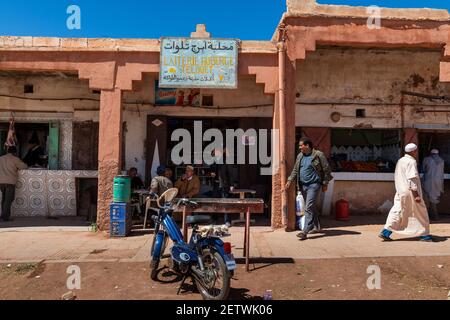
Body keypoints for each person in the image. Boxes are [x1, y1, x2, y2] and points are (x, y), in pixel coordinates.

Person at [379, 143, 433, 242]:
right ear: (413, 151)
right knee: (421, 213)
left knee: (398, 211)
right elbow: (411, 179)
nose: (417, 152)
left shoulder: (401, 160)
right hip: (410, 192)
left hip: (401, 191)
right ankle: (424, 235)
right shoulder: (411, 162)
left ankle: (386, 231)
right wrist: (416, 195)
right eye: (416, 151)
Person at [284, 137, 333, 240]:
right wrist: (289, 181)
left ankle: (305, 231)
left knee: (308, 207)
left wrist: (325, 183)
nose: (300, 147)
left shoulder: (318, 155)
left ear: (307, 146)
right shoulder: (300, 156)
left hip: (314, 185)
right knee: (311, 206)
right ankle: (316, 226)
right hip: (303, 185)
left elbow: (326, 169)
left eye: (301, 145)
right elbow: (295, 170)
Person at [210, 148, 239, 226]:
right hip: (216, 184)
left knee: (225, 203)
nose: (214, 153)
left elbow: (230, 173)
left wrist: (232, 185)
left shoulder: (226, 160)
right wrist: (211, 173)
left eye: (215, 152)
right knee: (215, 203)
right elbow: (211, 169)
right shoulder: (214, 160)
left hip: (224, 184)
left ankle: (227, 221)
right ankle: (214, 220)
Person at [0, 146, 28, 222]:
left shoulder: (1, 158)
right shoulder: (15, 159)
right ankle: (5, 217)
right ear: (15, 152)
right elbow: (24, 167)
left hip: (1, 182)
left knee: (4, 199)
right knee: (8, 200)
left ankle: (3, 214)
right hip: (10, 182)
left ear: (7, 151)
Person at [422, 149, 445, 221]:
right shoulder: (442, 161)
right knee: (434, 198)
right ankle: (435, 216)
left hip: (428, 181)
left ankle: (430, 216)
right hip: (439, 182)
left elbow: (423, 169)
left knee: (427, 198)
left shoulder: (427, 159)